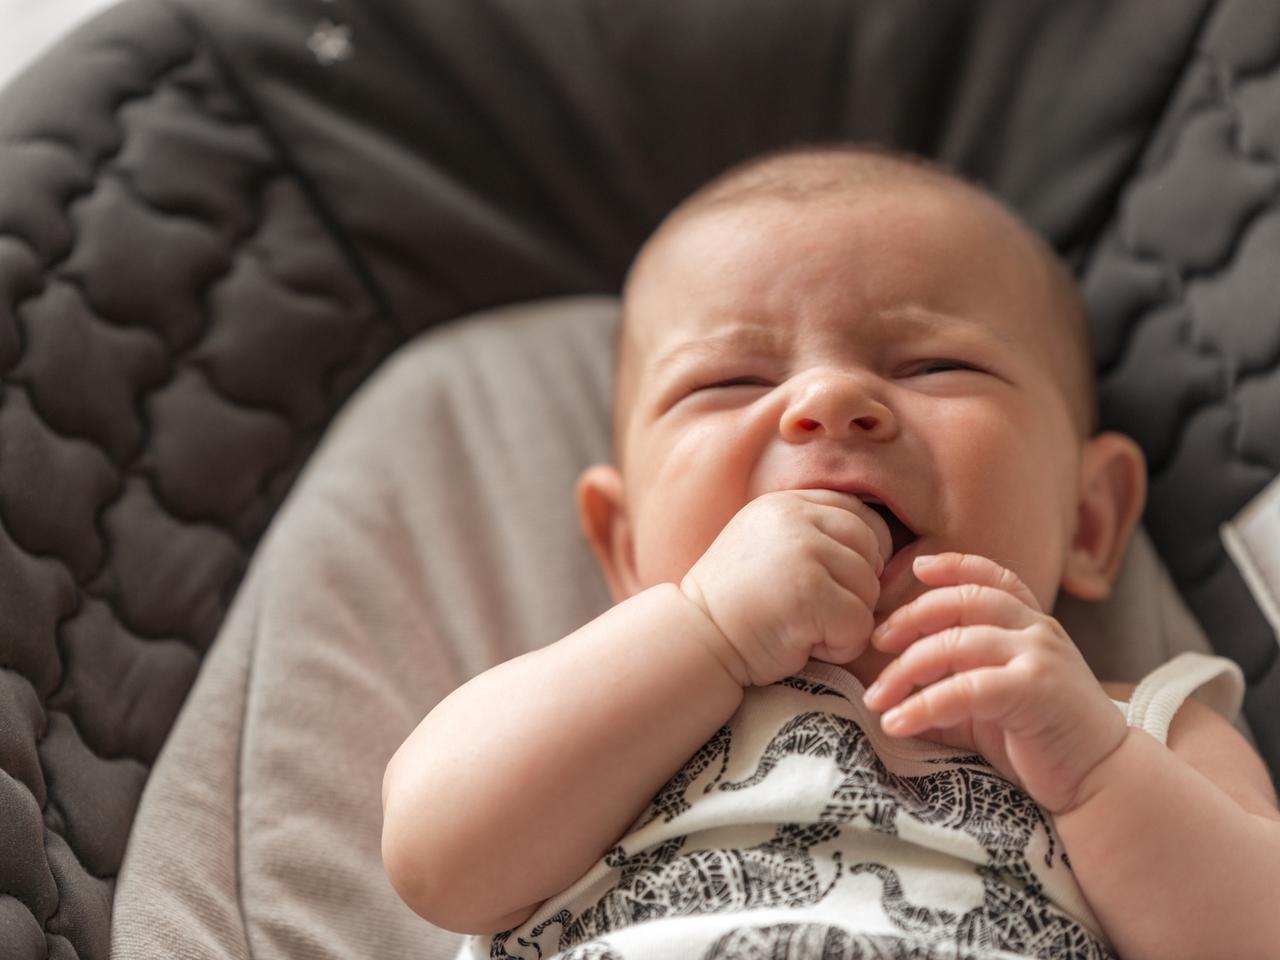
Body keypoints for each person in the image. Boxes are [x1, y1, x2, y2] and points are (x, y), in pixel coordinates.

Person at [380, 144, 1280, 960]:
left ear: (1088, 521)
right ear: (624, 545)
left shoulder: (1139, 727)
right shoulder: (595, 707)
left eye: (934, 366)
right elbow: (435, 859)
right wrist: (705, 629)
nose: (830, 397)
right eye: (729, 381)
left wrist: (1093, 771)